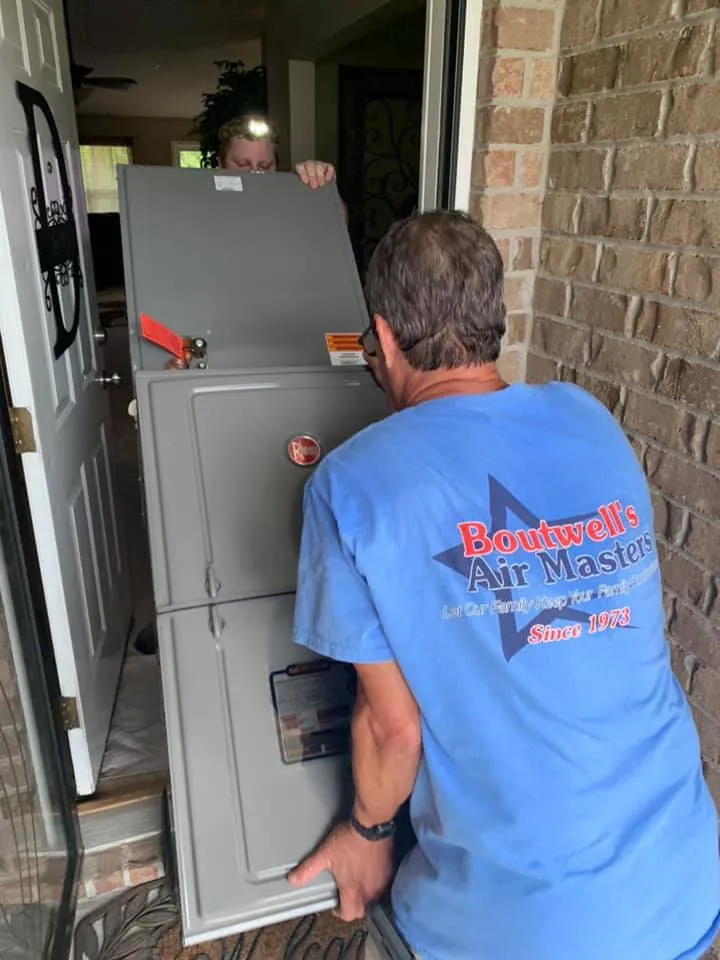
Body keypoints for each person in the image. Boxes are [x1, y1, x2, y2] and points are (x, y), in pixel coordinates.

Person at [287, 210, 720, 960]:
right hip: (681, 884)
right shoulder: (589, 419)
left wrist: (367, 834)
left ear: (382, 337)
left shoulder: (348, 483)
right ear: (496, 318)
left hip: (519, 928)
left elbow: (393, 731)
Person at [218, 114, 337, 191]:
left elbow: (340, 217)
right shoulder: (209, 203)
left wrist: (321, 182)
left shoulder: (288, 200)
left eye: (264, 166)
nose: (254, 173)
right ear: (221, 165)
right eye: (242, 165)